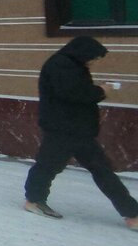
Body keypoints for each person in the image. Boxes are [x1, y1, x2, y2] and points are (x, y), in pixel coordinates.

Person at [23, 36, 138, 231]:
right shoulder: (61, 66)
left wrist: (96, 89)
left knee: (94, 169)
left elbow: (75, 90)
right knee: (52, 166)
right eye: (93, 58)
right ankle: (34, 200)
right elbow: (75, 94)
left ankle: (132, 213)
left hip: (74, 129)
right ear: (81, 52)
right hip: (64, 129)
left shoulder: (69, 65)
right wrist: (100, 90)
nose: (93, 62)